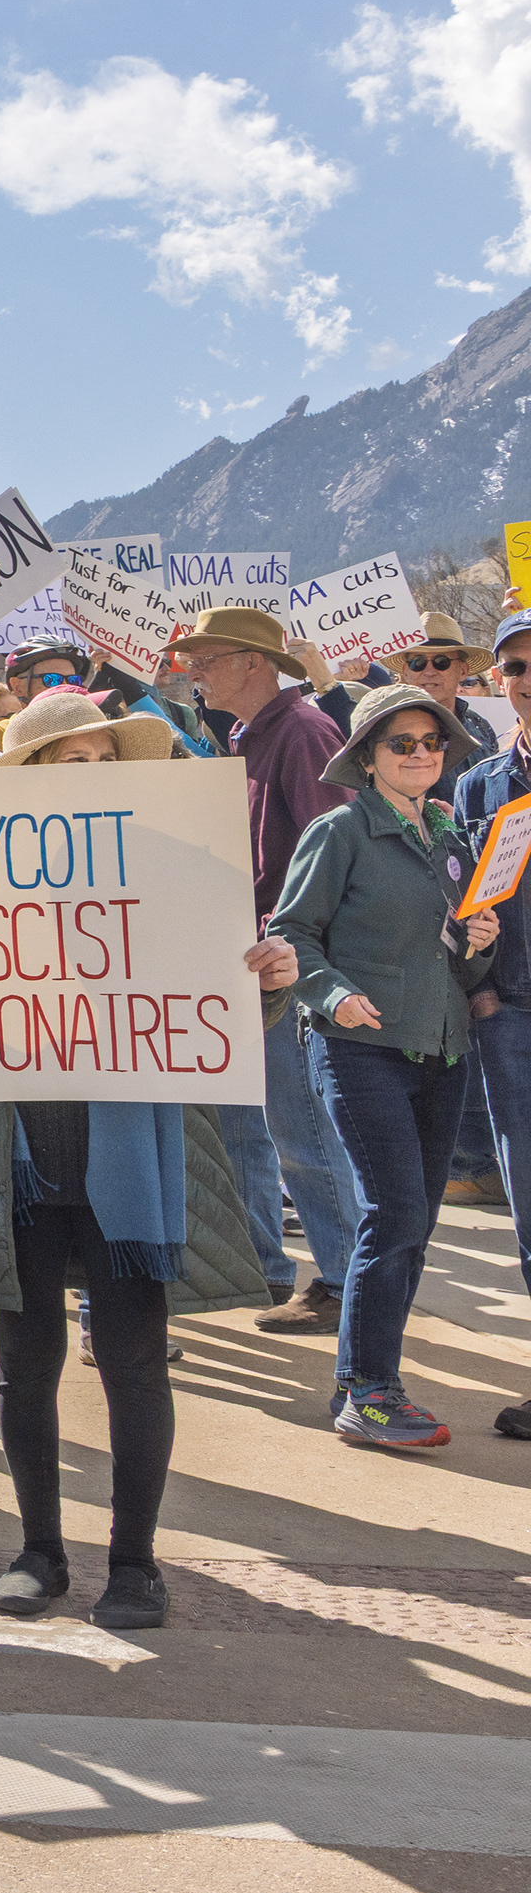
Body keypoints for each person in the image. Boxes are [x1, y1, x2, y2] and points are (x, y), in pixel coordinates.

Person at [0, 691, 303, 1625]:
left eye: (107, 761)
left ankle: (135, 1564)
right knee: (26, 1363)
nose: (95, 776)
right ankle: (38, 1551)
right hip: (15, 1158)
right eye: (74, 761)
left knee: (136, 1361)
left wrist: (261, 981)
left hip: (126, 1160)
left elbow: (213, 1011)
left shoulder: (171, 875)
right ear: (25, 780)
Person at [275, 683, 496, 1451]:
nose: (421, 754)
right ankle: (370, 1392)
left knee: (415, 1222)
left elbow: (461, 959)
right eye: (401, 742)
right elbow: (291, 934)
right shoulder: (341, 831)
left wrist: (480, 939)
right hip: (359, 1049)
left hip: (443, 1048)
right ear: (367, 758)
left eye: (432, 742)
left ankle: (362, 1375)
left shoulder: (450, 837)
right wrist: (334, 996)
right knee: (394, 1212)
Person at [174, 603, 369, 1327]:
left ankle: (349, 1280)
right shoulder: (254, 734)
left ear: (253, 662)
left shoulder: (303, 732)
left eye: (207, 658)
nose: (193, 670)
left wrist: (306, 958)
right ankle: (265, 1264)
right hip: (261, 961)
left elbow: (337, 855)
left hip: (289, 967)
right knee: (257, 1127)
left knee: (302, 1131)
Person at [453, 606, 531, 1439]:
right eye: (516, 667)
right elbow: (472, 896)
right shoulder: (478, 782)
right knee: (530, 1207)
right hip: (513, 1019)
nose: (529, 680)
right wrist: (482, 993)